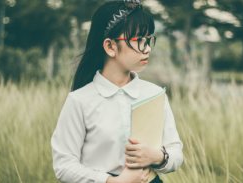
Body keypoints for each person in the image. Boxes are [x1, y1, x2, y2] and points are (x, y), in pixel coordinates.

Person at [51, 0, 183, 183]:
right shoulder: (79, 100)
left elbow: (176, 151)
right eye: (138, 40)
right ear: (110, 47)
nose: (147, 49)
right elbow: (64, 166)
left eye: (148, 40)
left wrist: (158, 157)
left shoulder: (155, 94)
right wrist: (111, 181)